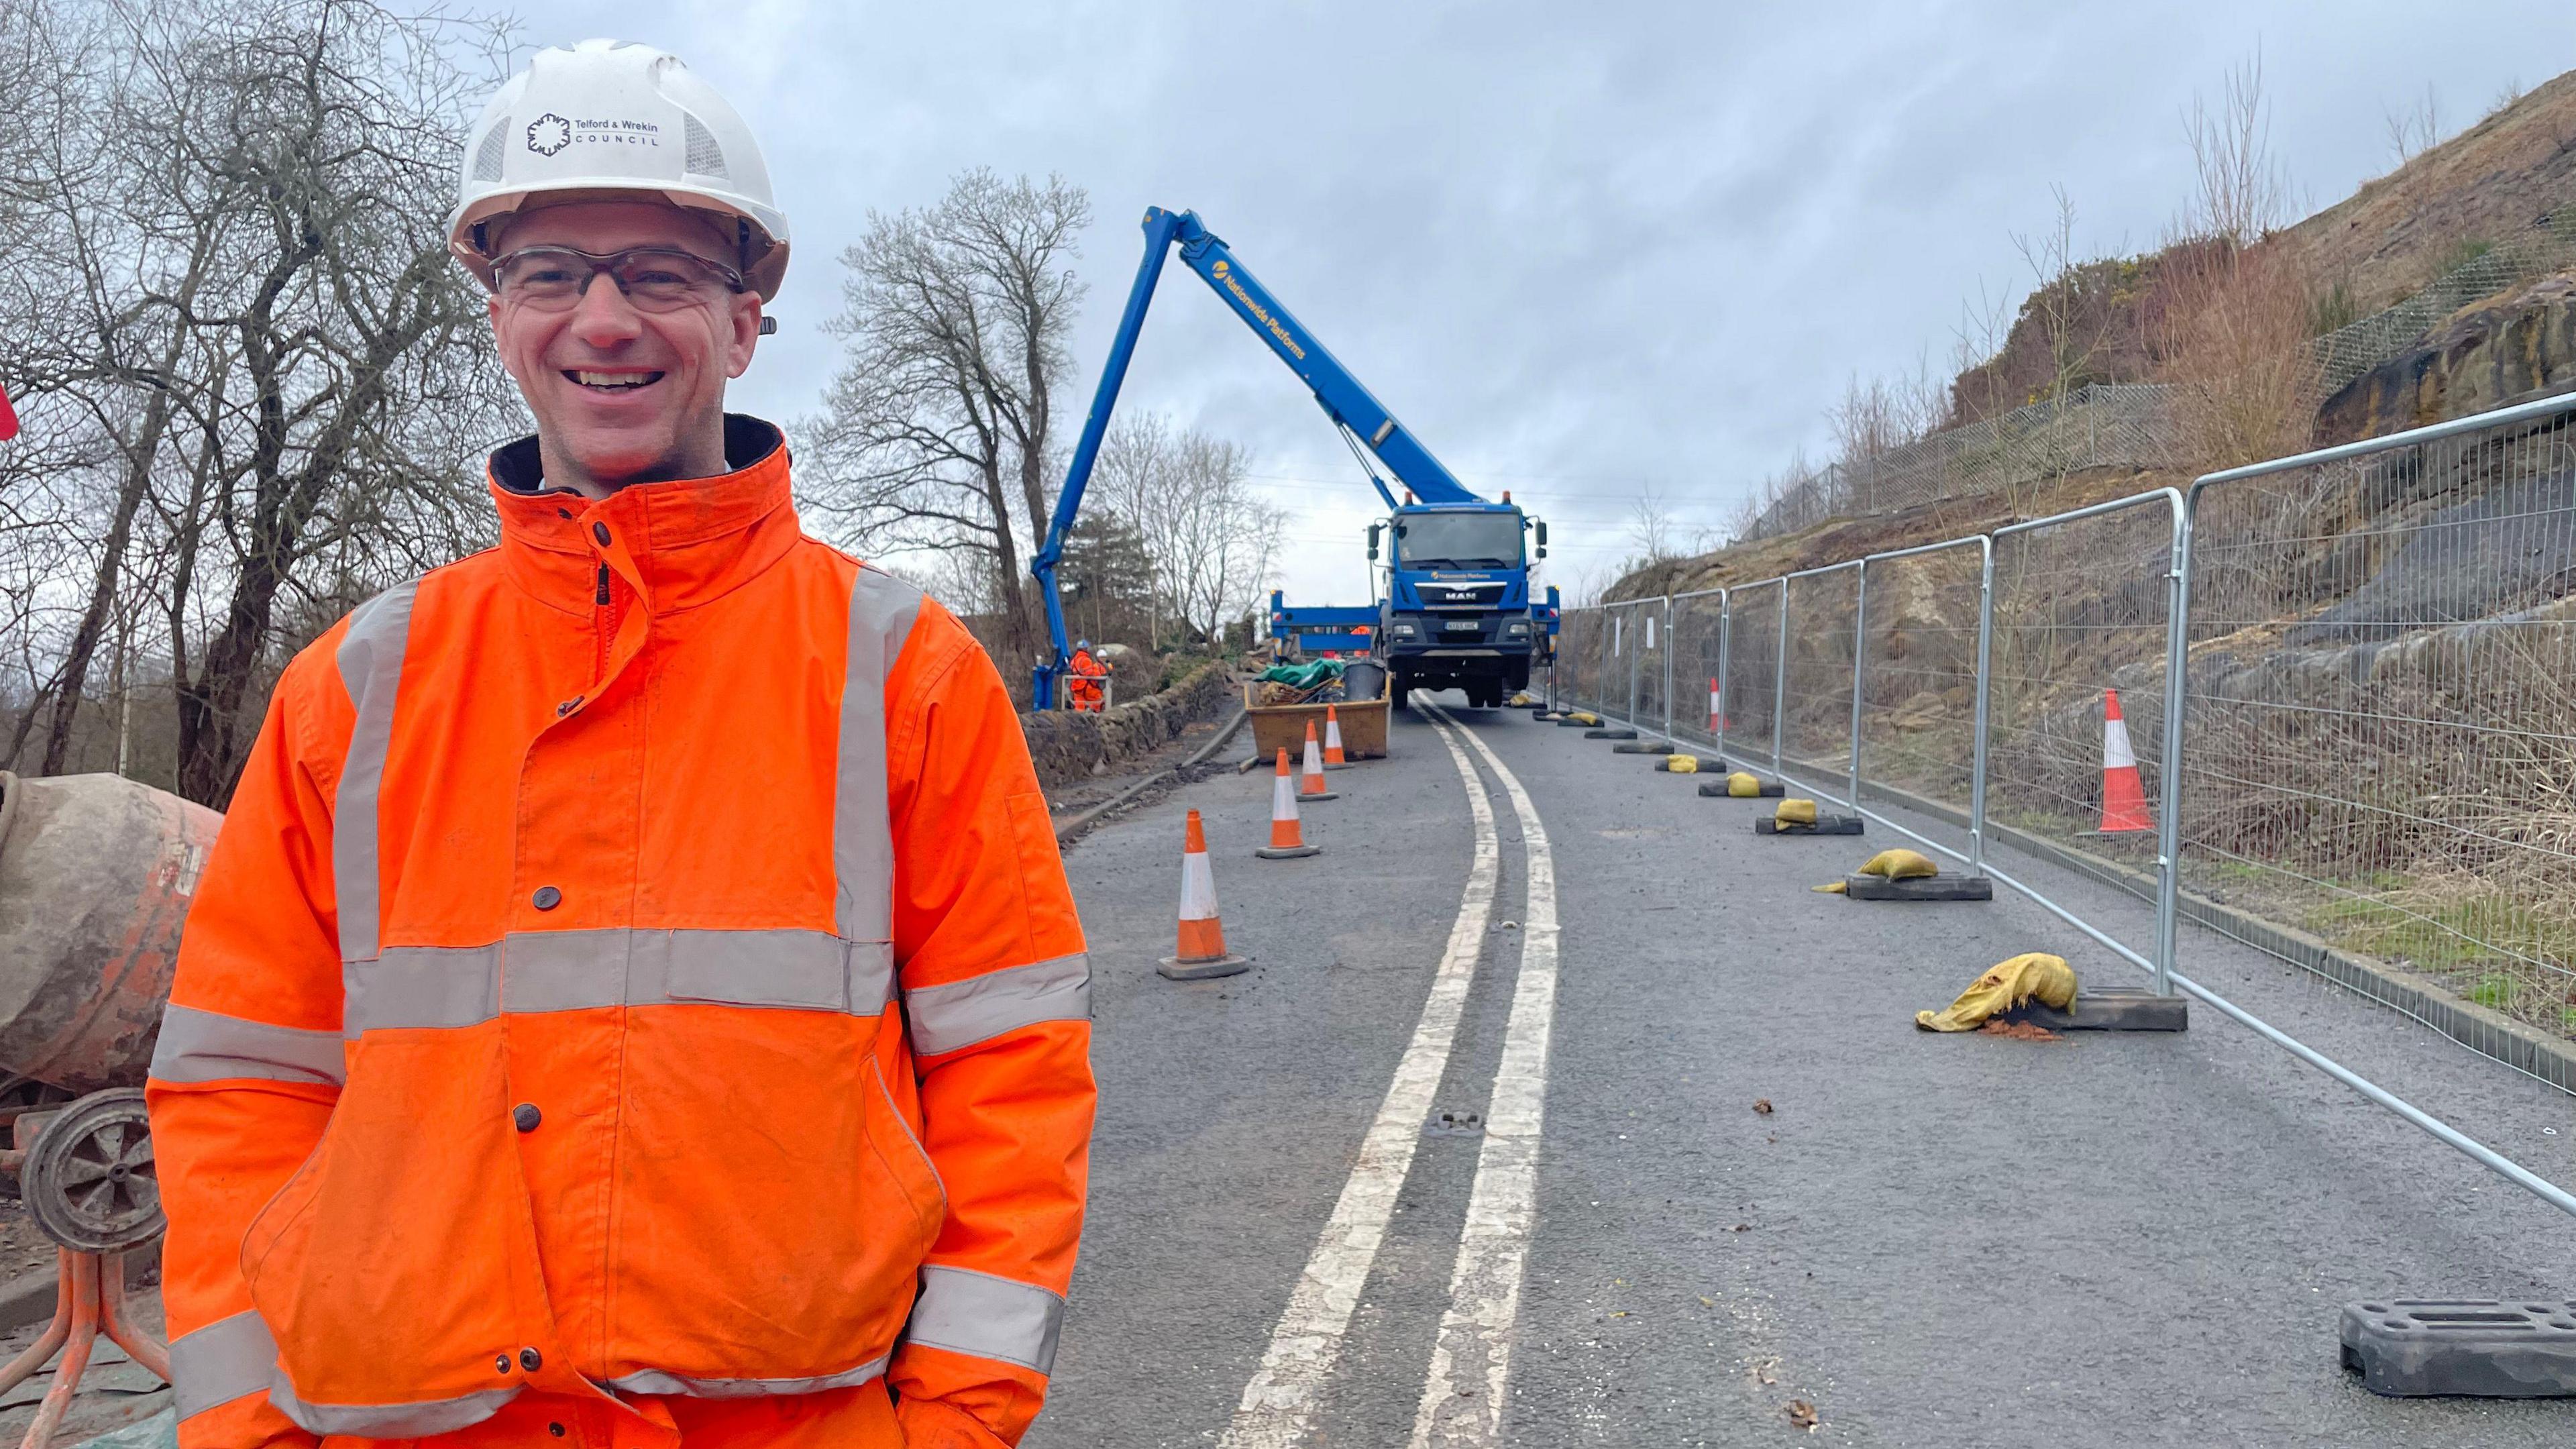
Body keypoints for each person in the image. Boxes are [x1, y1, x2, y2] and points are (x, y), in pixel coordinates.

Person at [145, 39, 1095, 1449]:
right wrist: (250, 1427)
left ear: (745, 316)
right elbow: (239, 1091)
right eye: (551, 272)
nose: (603, 319)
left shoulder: (903, 670)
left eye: (657, 271)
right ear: (497, 314)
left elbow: (1012, 1073)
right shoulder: (352, 686)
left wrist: (952, 1423)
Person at [1065, 639, 1108, 712]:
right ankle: (1095, 717)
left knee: (1079, 708)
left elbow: (1075, 672)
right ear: (1085, 648)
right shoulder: (1086, 660)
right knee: (1099, 701)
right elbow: (1090, 674)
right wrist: (1098, 672)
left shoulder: (1073, 660)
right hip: (1087, 687)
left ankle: (1080, 719)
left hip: (1076, 687)